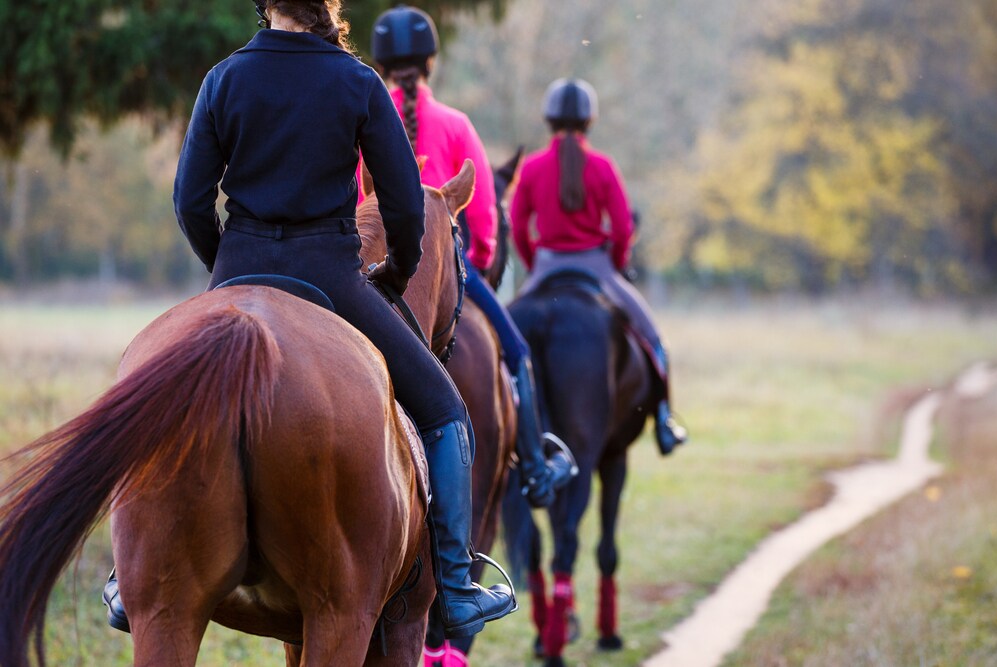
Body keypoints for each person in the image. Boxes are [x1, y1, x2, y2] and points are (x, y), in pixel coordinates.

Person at [101, 0, 515, 640]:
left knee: (139, 391)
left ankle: (128, 576)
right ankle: (457, 589)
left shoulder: (225, 78)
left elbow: (189, 200)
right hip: (331, 277)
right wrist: (397, 276)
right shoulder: (356, 81)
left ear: (264, 5)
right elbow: (405, 208)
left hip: (236, 268)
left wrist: (228, 272)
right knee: (444, 410)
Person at [369, 6, 572, 508]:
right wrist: (476, 259)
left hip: (372, 268)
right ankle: (537, 468)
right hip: (447, 261)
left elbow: (358, 203)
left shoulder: (365, 118)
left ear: (383, 66)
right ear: (430, 63)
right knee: (517, 352)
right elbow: (482, 215)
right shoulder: (457, 124)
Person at [510, 78, 688, 455]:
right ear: (590, 121)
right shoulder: (603, 167)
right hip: (598, 267)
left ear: (549, 120)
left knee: (503, 340)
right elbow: (622, 229)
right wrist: (615, 266)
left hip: (545, 266)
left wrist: (534, 264)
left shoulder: (532, 168)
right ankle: (665, 421)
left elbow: (518, 226)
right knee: (654, 341)